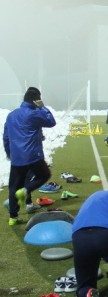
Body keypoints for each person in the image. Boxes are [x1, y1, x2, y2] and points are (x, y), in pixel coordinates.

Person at [3, 87, 56, 225]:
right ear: (36, 100)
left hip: (17, 158)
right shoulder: (34, 113)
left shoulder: (11, 115)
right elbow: (51, 122)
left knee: (14, 186)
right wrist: (43, 107)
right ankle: (25, 191)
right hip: (33, 156)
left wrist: (9, 153)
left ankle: (13, 217)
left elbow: (6, 137)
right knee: (44, 175)